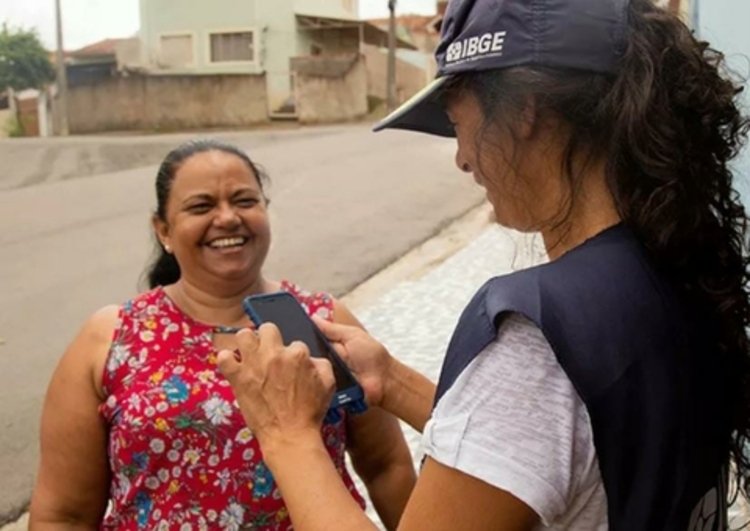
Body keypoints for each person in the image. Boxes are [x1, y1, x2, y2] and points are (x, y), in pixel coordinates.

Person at [215, 0, 750, 529]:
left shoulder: (538, 337)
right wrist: (393, 382)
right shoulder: (672, 264)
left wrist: (288, 434)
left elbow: (535, 409)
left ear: (524, 112)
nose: (462, 158)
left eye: (458, 124)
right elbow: (543, 451)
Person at [28, 139, 416, 530]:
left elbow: (386, 466)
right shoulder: (111, 338)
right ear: (163, 229)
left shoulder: (325, 323)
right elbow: (64, 514)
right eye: (201, 206)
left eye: (245, 201)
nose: (228, 218)